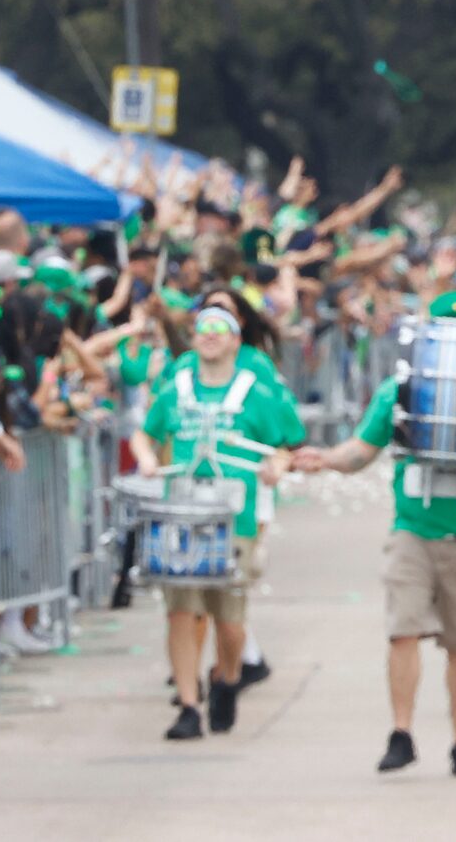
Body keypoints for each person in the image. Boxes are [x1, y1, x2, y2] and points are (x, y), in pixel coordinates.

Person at [294, 292, 456, 780]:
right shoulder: (404, 388)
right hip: (413, 529)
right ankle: (402, 733)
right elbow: (363, 449)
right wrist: (324, 459)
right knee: (403, 631)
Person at [129, 297, 303, 742]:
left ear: (236, 339)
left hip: (235, 517)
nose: (208, 334)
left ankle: (226, 678)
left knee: (229, 621)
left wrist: (277, 467)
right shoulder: (177, 387)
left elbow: (287, 444)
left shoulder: (255, 390)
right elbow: (145, 433)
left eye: (219, 327)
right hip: (183, 512)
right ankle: (189, 704)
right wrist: (148, 459)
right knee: (181, 613)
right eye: (202, 327)